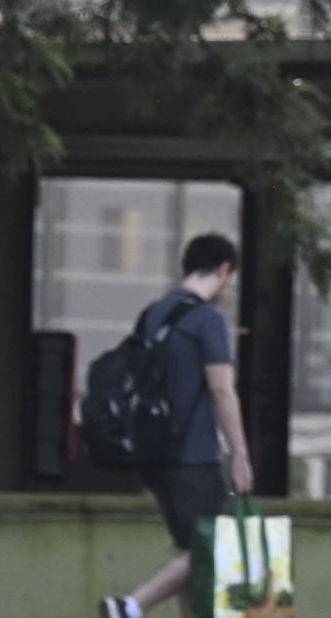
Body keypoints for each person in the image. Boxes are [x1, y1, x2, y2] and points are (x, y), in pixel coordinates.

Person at [100, 233, 252, 618]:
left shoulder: (155, 314)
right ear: (223, 270)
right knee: (210, 547)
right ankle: (131, 605)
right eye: (229, 278)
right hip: (194, 457)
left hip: (153, 454)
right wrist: (240, 455)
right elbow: (222, 391)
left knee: (191, 551)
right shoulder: (208, 319)